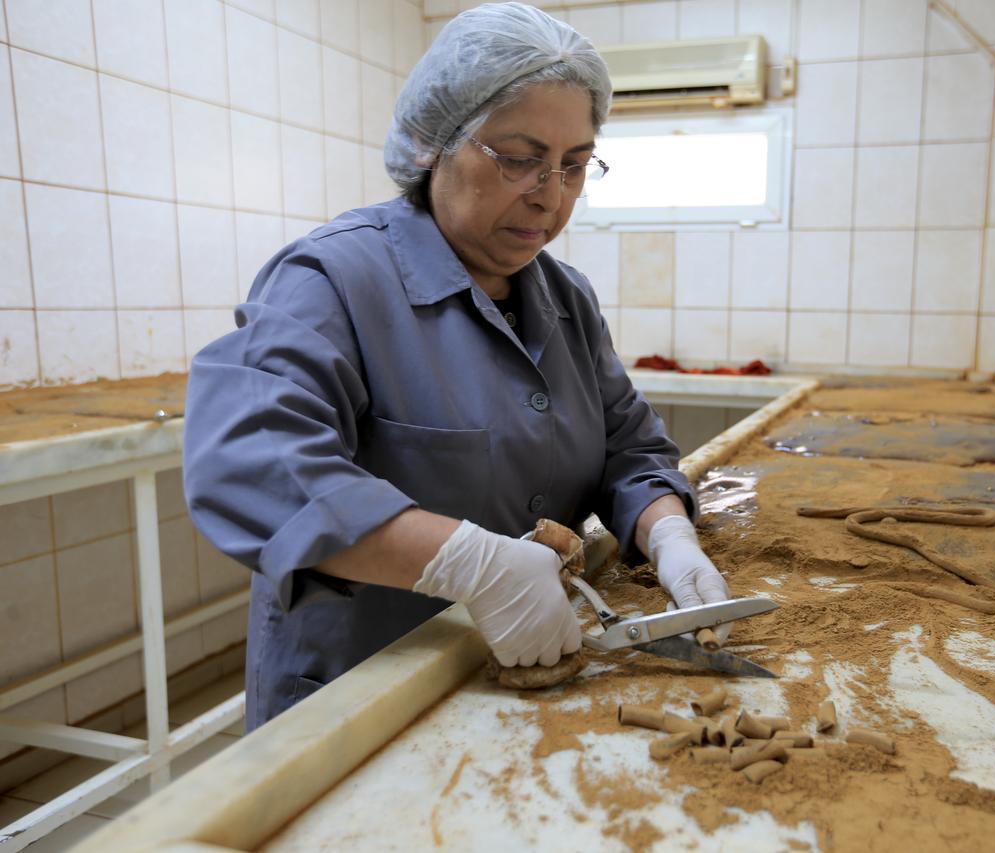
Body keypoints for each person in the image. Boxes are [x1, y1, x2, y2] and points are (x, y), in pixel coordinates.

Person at [183, 2, 731, 731]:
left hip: (525, 677)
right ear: (430, 142)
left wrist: (668, 533)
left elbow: (628, 445)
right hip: (362, 697)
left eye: (574, 164)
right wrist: (466, 563)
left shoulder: (564, 297)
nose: (551, 193)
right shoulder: (333, 280)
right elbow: (246, 463)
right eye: (519, 157)